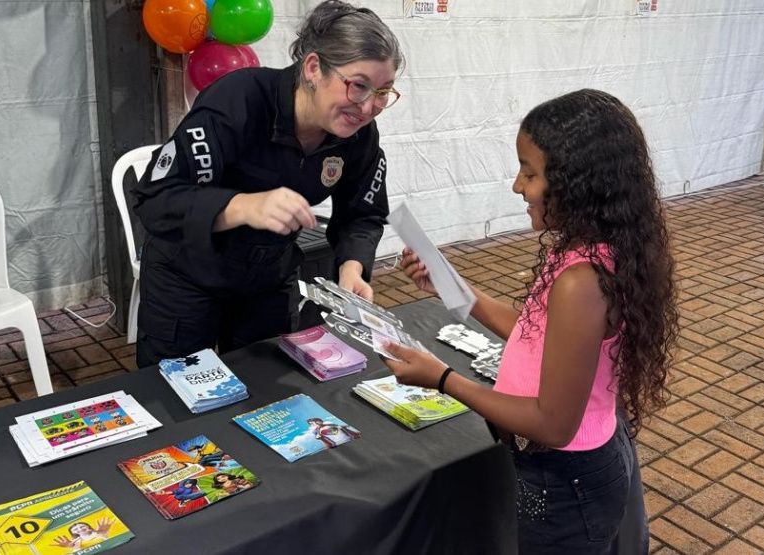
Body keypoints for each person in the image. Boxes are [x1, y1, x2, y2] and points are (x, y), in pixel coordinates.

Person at [382, 89, 678, 554]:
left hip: (566, 484)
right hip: (571, 472)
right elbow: (536, 333)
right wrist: (450, 286)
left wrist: (441, 378)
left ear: (577, 181)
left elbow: (553, 424)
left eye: (531, 172)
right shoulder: (585, 251)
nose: (518, 186)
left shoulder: (582, 280)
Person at [132, 0, 405, 367]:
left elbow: (362, 214)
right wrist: (243, 205)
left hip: (267, 279)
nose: (369, 107)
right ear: (313, 68)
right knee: (177, 398)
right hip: (188, 276)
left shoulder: (359, 135)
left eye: (383, 92)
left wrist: (352, 268)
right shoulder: (238, 101)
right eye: (359, 86)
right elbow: (157, 197)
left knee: (263, 393)